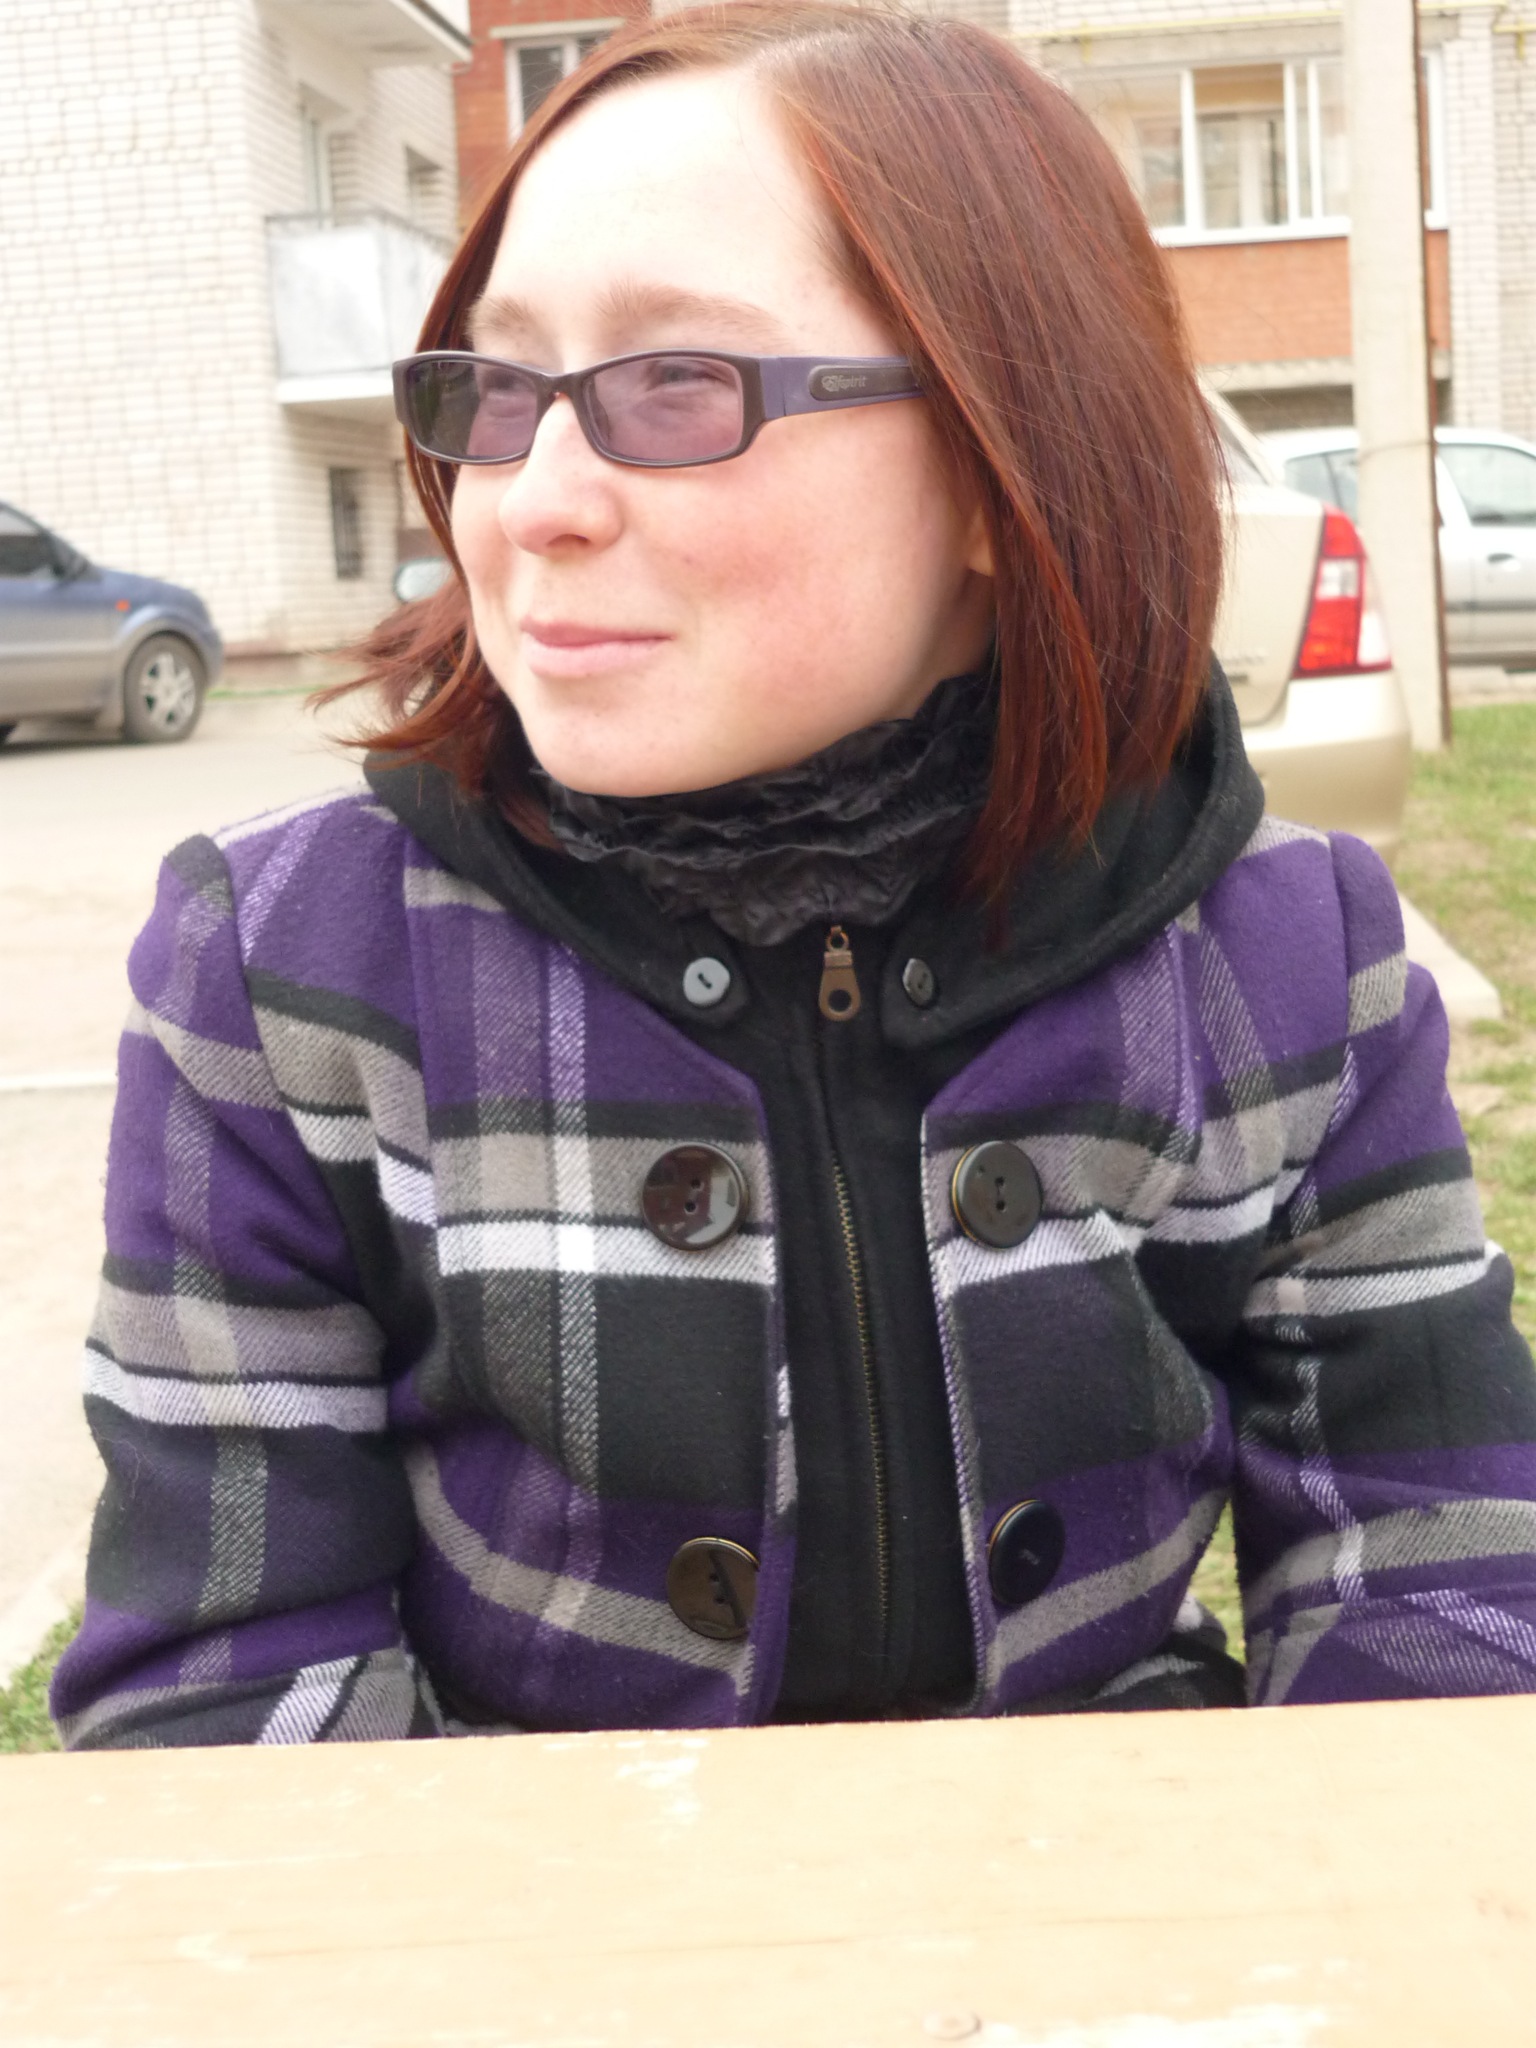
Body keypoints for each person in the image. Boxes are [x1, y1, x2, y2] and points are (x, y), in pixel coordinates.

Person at [52, 1, 1536, 1748]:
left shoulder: (1290, 956)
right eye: (500, 391)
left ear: (1001, 458)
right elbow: (228, 1689)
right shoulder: (286, 966)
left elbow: (1438, 1579)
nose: (528, 502)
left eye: (678, 385)